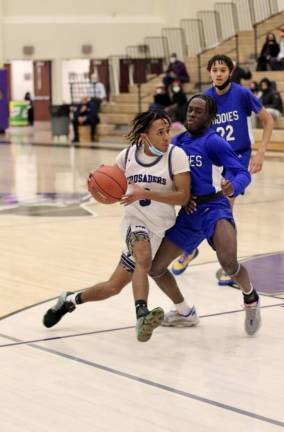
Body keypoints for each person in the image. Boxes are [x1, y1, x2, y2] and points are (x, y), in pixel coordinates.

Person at [43, 110, 191, 342]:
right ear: (144, 136)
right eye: (160, 132)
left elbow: (183, 196)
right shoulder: (127, 156)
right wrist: (100, 189)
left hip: (159, 228)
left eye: (167, 131)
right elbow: (111, 185)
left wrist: (146, 192)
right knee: (144, 257)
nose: (166, 137)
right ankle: (142, 313)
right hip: (134, 223)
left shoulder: (176, 156)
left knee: (112, 287)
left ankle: (69, 300)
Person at [149, 95, 261, 336]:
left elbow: (242, 172)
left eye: (198, 111)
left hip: (215, 208)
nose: (191, 114)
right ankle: (184, 311)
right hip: (189, 213)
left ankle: (250, 296)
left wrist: (234, 185)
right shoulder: (177, 143)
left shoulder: (214, 142)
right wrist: (182, 195)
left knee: (229, 263)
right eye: (190, 110)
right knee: (155, 268)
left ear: (210, 118)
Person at [172, 54, 273, 283]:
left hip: (236, 156)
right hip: (210, 155)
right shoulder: (204, 99)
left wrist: (261, 151)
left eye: (222, 70)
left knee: (225, 208)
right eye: (214, 70)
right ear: (210, 72)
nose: (218, 74)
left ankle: (228, 264)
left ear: (230, 71)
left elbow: (268, 120)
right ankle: (191, 248)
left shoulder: (242, 94)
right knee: (199, 203)